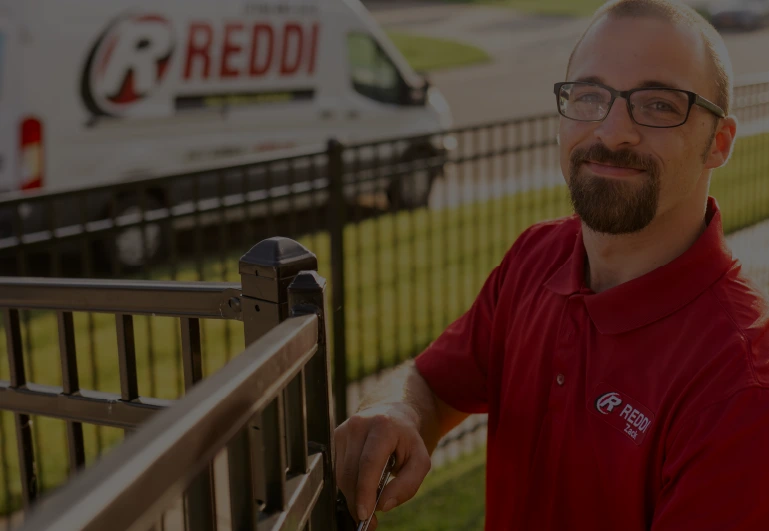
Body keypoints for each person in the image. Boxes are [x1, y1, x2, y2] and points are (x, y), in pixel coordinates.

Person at [333, 0, 769, 529]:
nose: (612, 132)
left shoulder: (741, 384)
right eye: (589, 96)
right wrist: (397, 409)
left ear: (719, 143)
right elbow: (431, 382)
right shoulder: (536, 258)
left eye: (657, 105)